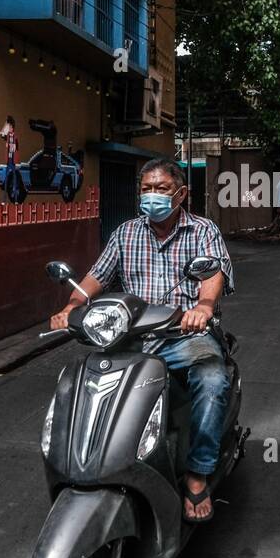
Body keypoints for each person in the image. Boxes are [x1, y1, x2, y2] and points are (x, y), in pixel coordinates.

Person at [49, 158, 234, 522]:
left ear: (181, 193)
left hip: (184, 334)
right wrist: (71, 305)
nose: (152, 196)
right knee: (87, 379)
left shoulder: (203, 231)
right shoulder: (126, 233)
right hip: (131, 337)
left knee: (212, 379)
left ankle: (197, 474)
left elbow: (213, 273)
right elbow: (97, 276)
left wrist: (204, 306)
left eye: (161, 189)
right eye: (146, 189)